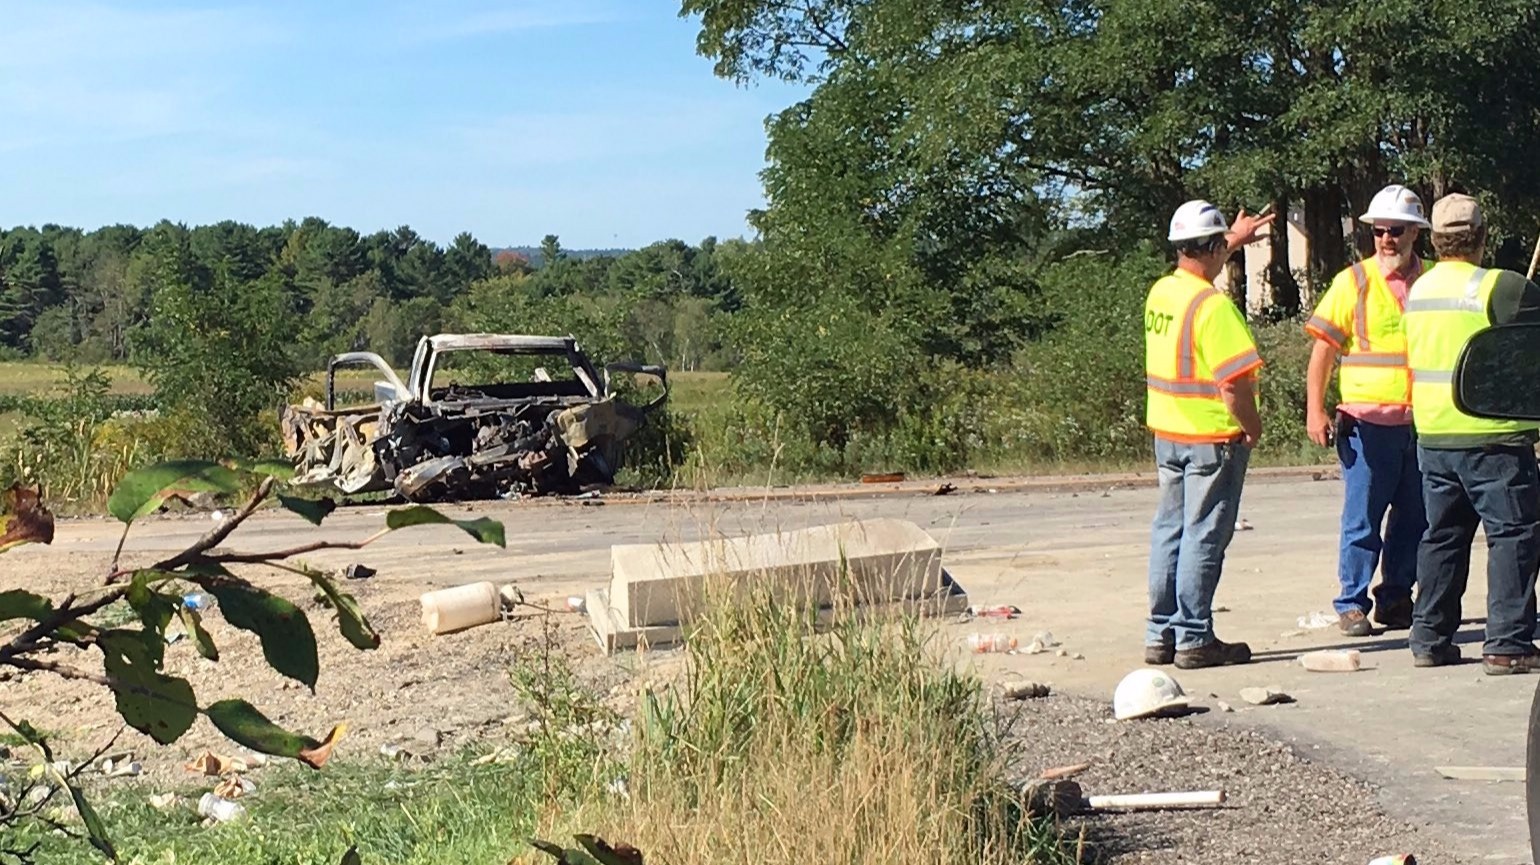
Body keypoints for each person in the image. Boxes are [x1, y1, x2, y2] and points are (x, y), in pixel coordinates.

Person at [1402, 193, 1540, 673]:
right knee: (1514, 535)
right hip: (1493, 436)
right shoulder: (1501, 287)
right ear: (1483, 237)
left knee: (1442, 536)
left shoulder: (1418, 291)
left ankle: (1430, 639)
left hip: (1436, 434)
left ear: (1436, 241)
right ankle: (1507, 643)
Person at [1143, 199, 1274, 669]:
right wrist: (1253, 428)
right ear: (1216, 248)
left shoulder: (1163, 292)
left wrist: (1230, 238)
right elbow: (1233, 384)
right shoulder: (1214, 307)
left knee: (1170, 532)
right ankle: (1195, 637)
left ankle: (1161, 634)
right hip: (1211, 441)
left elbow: (1200, 259)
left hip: (1169, 432)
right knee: (1204, 537)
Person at [1304, 184, 1430, 637]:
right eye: (1378, 231)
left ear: (1416, 232)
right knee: (1363, 518)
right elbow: (1323, 351)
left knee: (1415, 517)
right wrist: (1314, 410)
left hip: (1421, 422)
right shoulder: (1353, 281)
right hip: (1365, 425)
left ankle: (1397, 597)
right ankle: (1352, 604)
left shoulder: (1433, 281)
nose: (1386, 239)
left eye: (1395, 230)